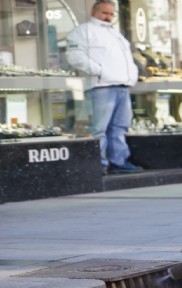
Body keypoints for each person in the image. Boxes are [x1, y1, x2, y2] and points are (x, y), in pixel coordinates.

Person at [66, 0, 142, 175]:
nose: (108, 17)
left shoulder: (116, 34)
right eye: (104, 13)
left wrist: (132, 75)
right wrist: (100, 71)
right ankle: (98, 165)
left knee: (119, 127)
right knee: (99, 128)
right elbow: (75, 56)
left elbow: (127, 59)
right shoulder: (83, 31)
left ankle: (119, 162)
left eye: (111, 14)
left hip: (122, 86)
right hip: (102, 86)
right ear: (94, 11)